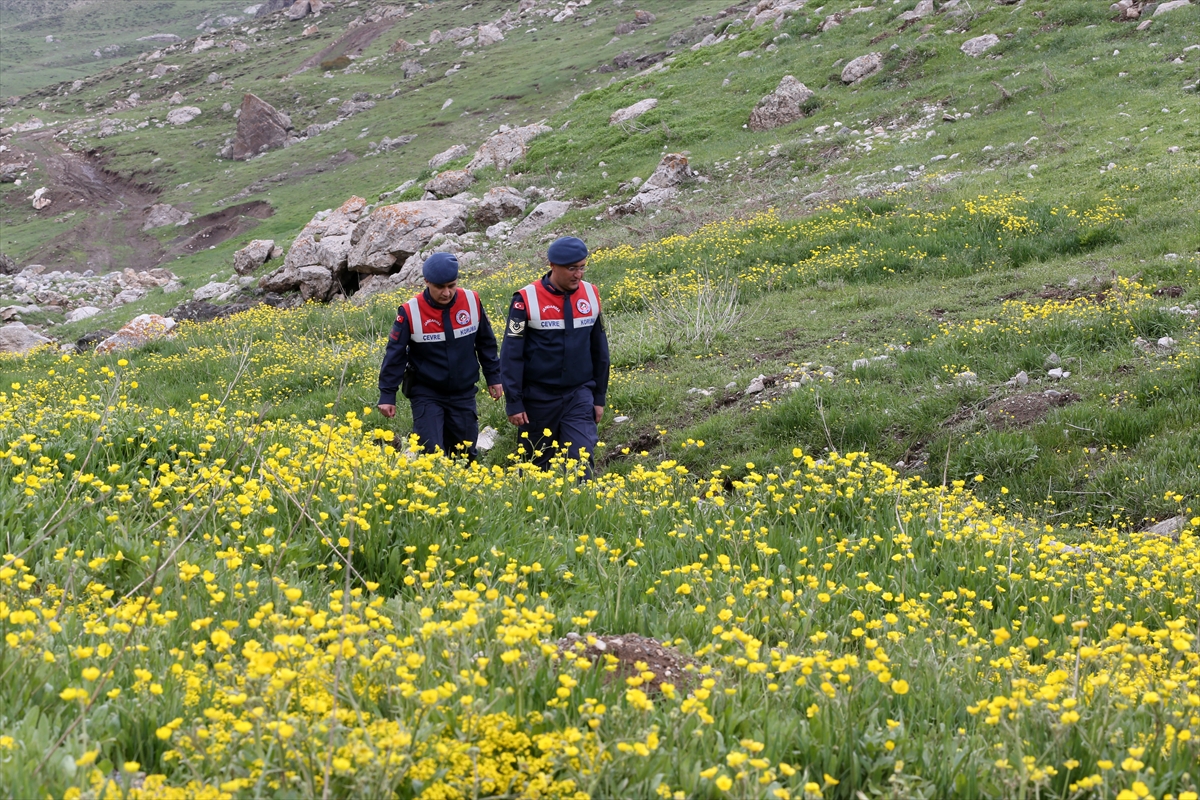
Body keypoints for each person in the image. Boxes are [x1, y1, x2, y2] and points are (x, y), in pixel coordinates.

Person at [500, 236, 610, 476]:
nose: (578, 274)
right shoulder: (525, 299)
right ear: (552, 265)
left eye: (582, 267)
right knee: (535, 468)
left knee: (581, 459)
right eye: (572, 268)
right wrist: (514, 402)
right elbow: (511, 355)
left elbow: (600, 349)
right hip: (537, 398)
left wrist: (599, 397)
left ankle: (584, 510)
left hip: (579, 394)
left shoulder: (591, 294)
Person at [377, 252, 502, 459]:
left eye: (451, 286)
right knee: (431, 454)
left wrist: (494, 377)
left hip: (463, 392)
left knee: (465, 455)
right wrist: (387, 394)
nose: (447, 293)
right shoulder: (410, 311)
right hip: (427, 393)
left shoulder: (471, 301)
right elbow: (395, 354)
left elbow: (486, 343)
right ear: (427, 282)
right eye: (440, 287)